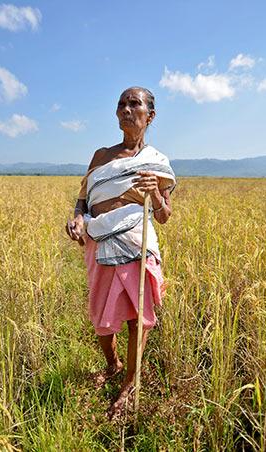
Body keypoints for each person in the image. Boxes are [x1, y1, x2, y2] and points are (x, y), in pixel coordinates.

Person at [65, 87, 176, 418]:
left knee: (137, 320)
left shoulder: (156, 162)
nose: (126, 109)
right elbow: (83, 199)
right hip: (98, 241)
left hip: (136, 242)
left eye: (134, 104)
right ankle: (113, 365)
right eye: (122, 104)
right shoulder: (101, 156)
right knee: (102, 317)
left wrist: (155, 194)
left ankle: (130, 383)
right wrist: (77, 219)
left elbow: (164, 215)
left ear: (149, 115)